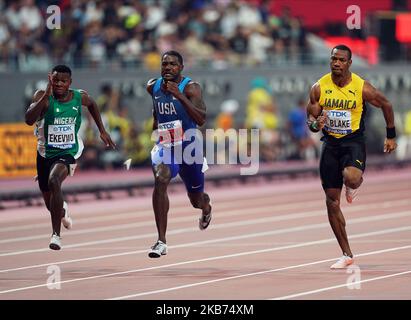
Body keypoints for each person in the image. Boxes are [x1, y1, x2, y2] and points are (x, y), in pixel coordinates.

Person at [306, 45, 397, 269]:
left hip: (353, 142)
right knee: (331, 202)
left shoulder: (361, 87)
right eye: (333, 59)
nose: (336, 63)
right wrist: (316, 124)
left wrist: (391, 136)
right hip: (330, 144)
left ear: (349, 63)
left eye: (341, 60)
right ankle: (347, 253)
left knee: (352, 176)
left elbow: (386, 104)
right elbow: (312, 121)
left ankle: (352, 184)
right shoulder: (319, 88)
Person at [25, 65, 115, 250]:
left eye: (63, 81)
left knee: (54, 180)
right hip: (45, 152)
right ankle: (63, 209)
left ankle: (56, 235)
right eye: (56, 80)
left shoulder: (78, 96)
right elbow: (28, 119)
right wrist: (45, 96)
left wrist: (102, 131)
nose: (59, 84)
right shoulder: (42, 96)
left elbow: (92, 104)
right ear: (51, 79)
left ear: (69, 83)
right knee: (51, 204)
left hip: (69, 151)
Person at [146, 51, 212, 258]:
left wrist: (179, 95)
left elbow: (201, 119)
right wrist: (156, 124)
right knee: (161, 178)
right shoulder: (152, 86)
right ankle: (161, 241)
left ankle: (206, 207)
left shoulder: (191, 88)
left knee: (196, 200)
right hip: (166, 145)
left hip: (189, 148)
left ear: (181, 67)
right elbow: (157, 110)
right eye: (164, 64)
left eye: (173, 64)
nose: (167, 67)